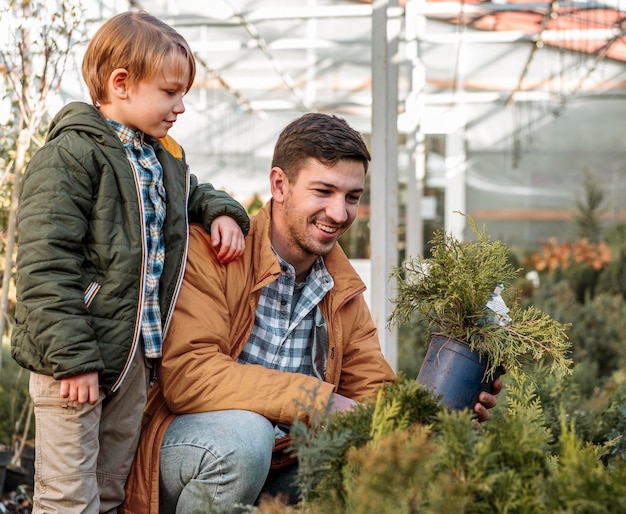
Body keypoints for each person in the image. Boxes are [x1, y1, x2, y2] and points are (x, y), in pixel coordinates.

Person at [120, 113, 501, 513]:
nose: (339, 213)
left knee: (368, 468)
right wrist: (316, 402)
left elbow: (371, 393)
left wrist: (439, 419)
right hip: (189, 453)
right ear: (279, 185)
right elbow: (189, 375)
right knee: (246, 437)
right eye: (324, 191)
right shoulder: (218, 251)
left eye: (352, 197)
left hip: (284, 462)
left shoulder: (341, 289)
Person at [10, 10, 250, 514]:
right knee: (68, 499)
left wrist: (222, 211)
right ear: (121, 84)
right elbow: (43, 267)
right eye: (170, 92)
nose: (181, 106)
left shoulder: (160, 155)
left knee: (111, 490)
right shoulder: (71, 156)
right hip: (75, 360)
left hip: (133, 358)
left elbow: (191, 193)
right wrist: (72, 359)